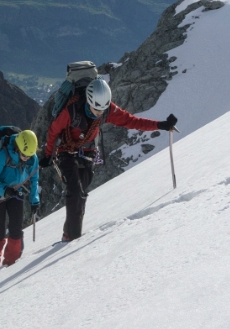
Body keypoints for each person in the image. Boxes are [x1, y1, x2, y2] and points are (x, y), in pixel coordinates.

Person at [42, 78, 176, 241]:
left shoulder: (107, 109)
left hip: (88, 150)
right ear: (89, 101)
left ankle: (70, 233)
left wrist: (160, 125)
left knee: (81, 193)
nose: (99, 114)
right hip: (66, 150)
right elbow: (54, 131)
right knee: (75, 191)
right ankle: (71, 237)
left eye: (102, 110)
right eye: (96, 110)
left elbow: (131, 121)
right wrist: (48, 155)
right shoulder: (71, 111)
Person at [0, 129, 40, 271]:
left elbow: (35, 178)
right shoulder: (3, 155)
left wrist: (34, 199)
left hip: (16, 192)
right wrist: (5, 191)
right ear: (17, 147)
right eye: (24, 155)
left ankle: (11, 266)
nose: (26, 158)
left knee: (16, 230)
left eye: (29, 156)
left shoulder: (31, 157)